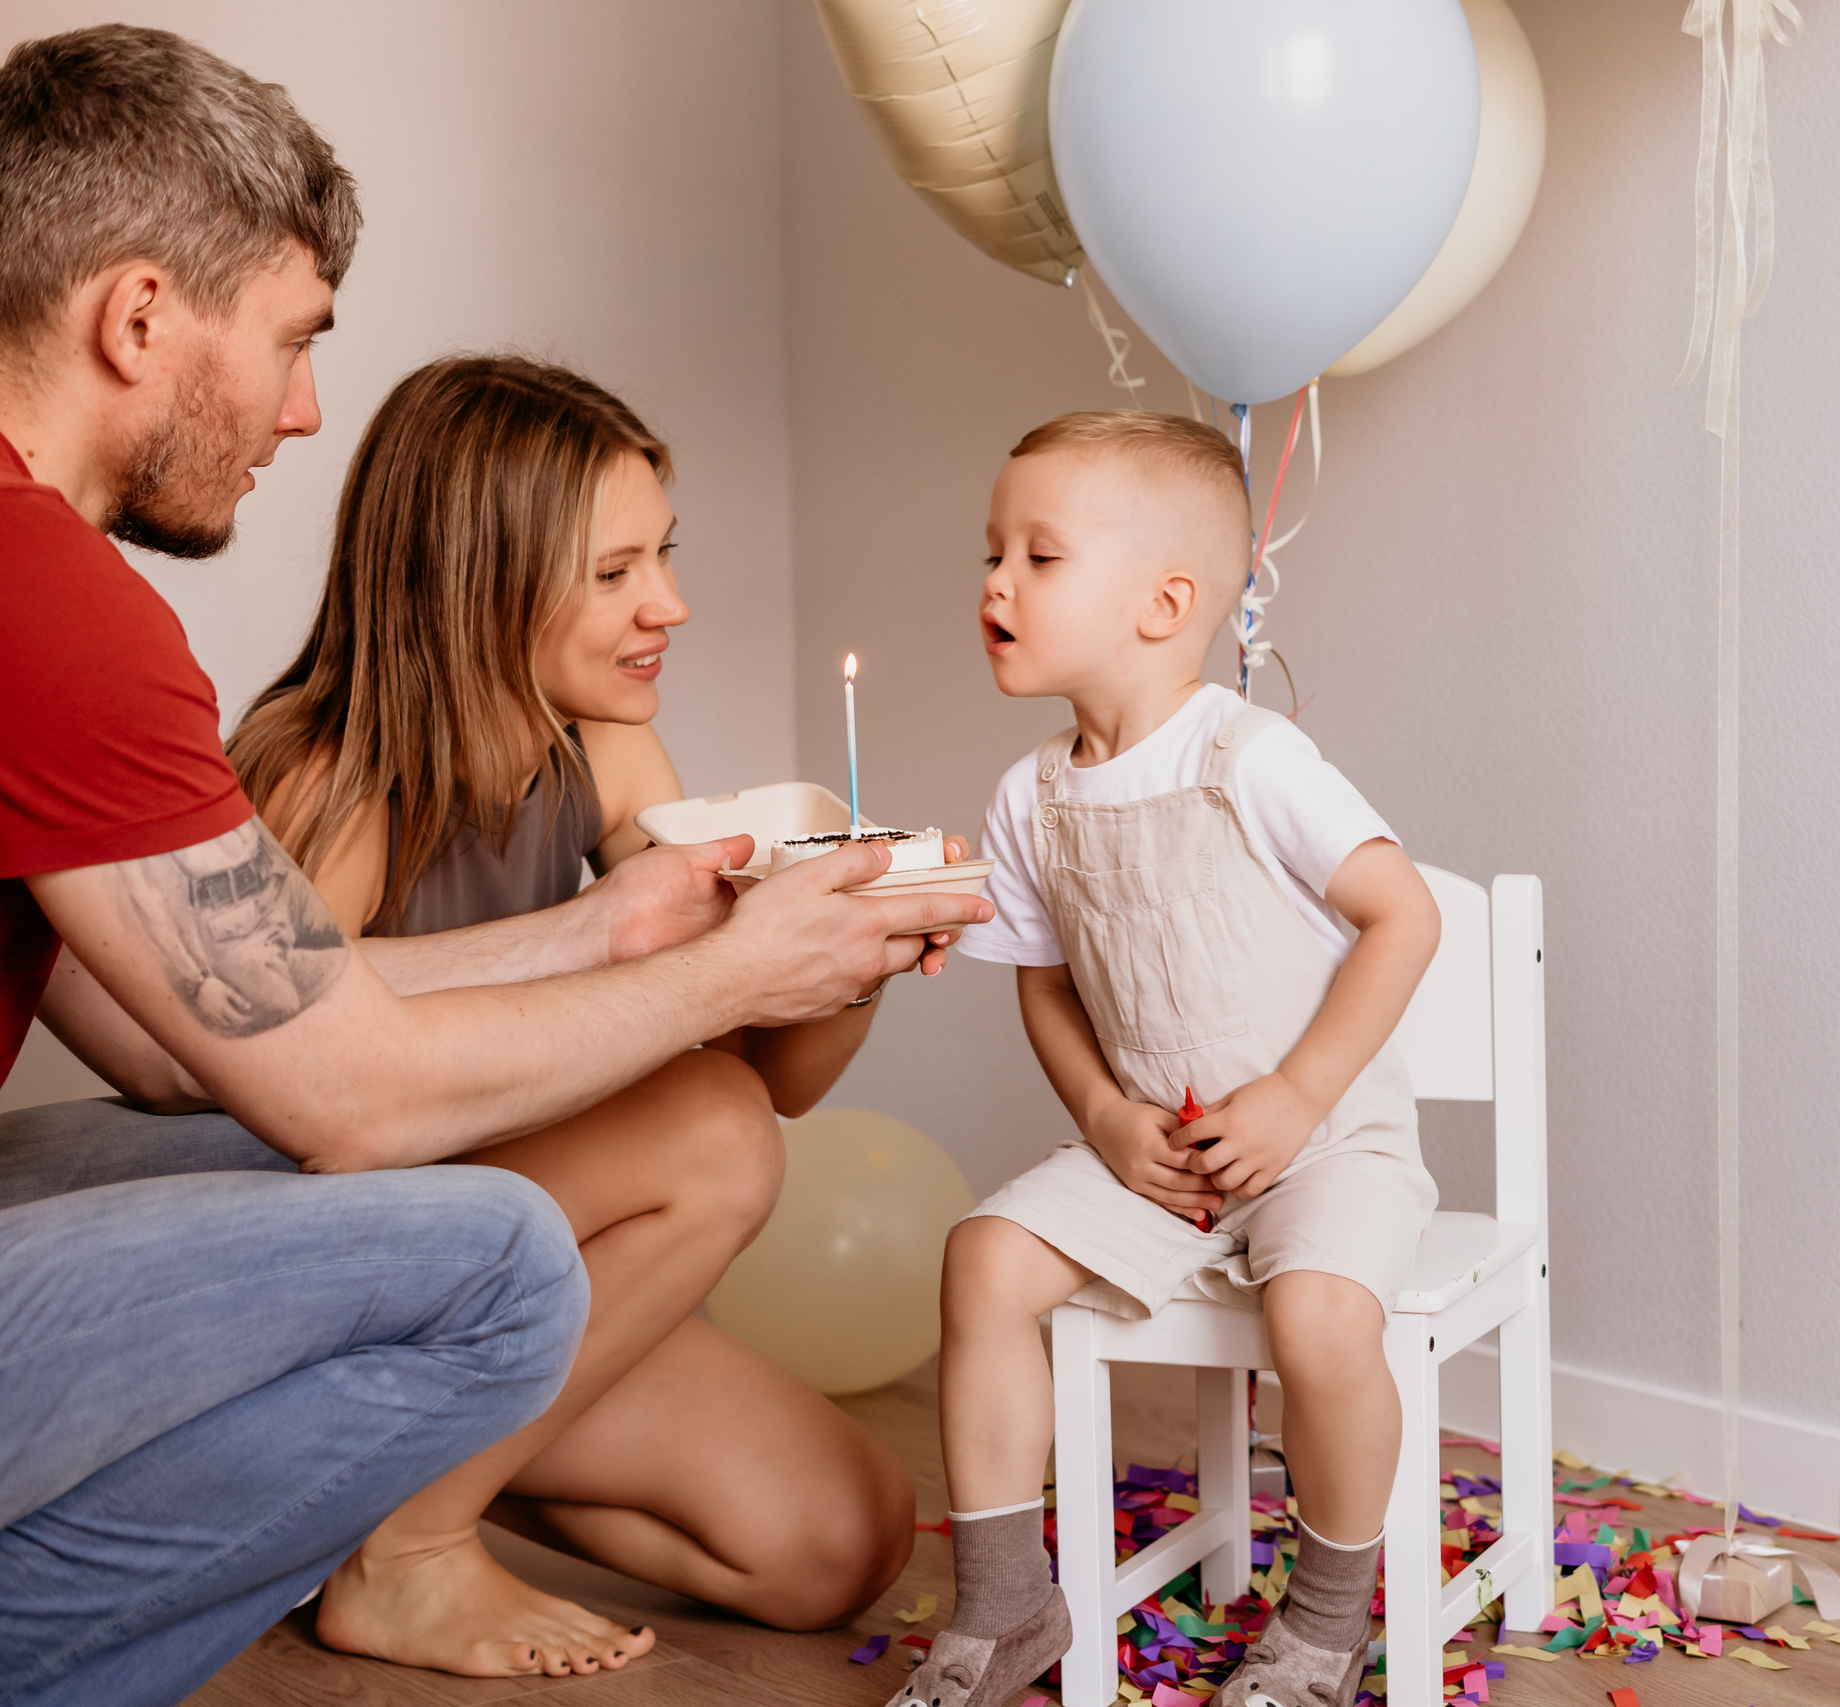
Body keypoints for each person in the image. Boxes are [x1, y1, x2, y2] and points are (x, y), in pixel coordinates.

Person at [0, 24, 986, 1700]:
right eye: (294, 341)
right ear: (142, 317)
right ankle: (386, 1546)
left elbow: (176, 1036)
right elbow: (342, 1100)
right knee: (503, 1254)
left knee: (819, 1503)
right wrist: (727, 970)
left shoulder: (51, 603)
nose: (309, 411)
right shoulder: (58, 607)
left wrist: (619, 932)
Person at [220, 352, 936, 1661]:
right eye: (615, 574)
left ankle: (388, 1502)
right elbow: (282, 1123)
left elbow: (778, 1074)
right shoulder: (329, 781)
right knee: (709, 1127)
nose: (668, 602)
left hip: (524, 1269)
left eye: (662, 554)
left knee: (844, 1537)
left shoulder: (597, 744)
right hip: (343, 1293)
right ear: (475, 581)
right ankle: (403, 1547)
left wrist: (859, 937)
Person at [911, 412, 1443, 1707]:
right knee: (982, 1259)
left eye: (1038, 558)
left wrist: (1298, 1095)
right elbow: (1044, 986)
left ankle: (1324, 1618)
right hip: (1156, 1150)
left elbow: (1405, 915)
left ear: (1166, 603)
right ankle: (1005, 1608)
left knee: (1320, 1315)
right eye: (992, 554)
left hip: (1323, 1145)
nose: (994, 583)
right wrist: (1101, 1113)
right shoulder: (1030, 795)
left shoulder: (1250, 757)